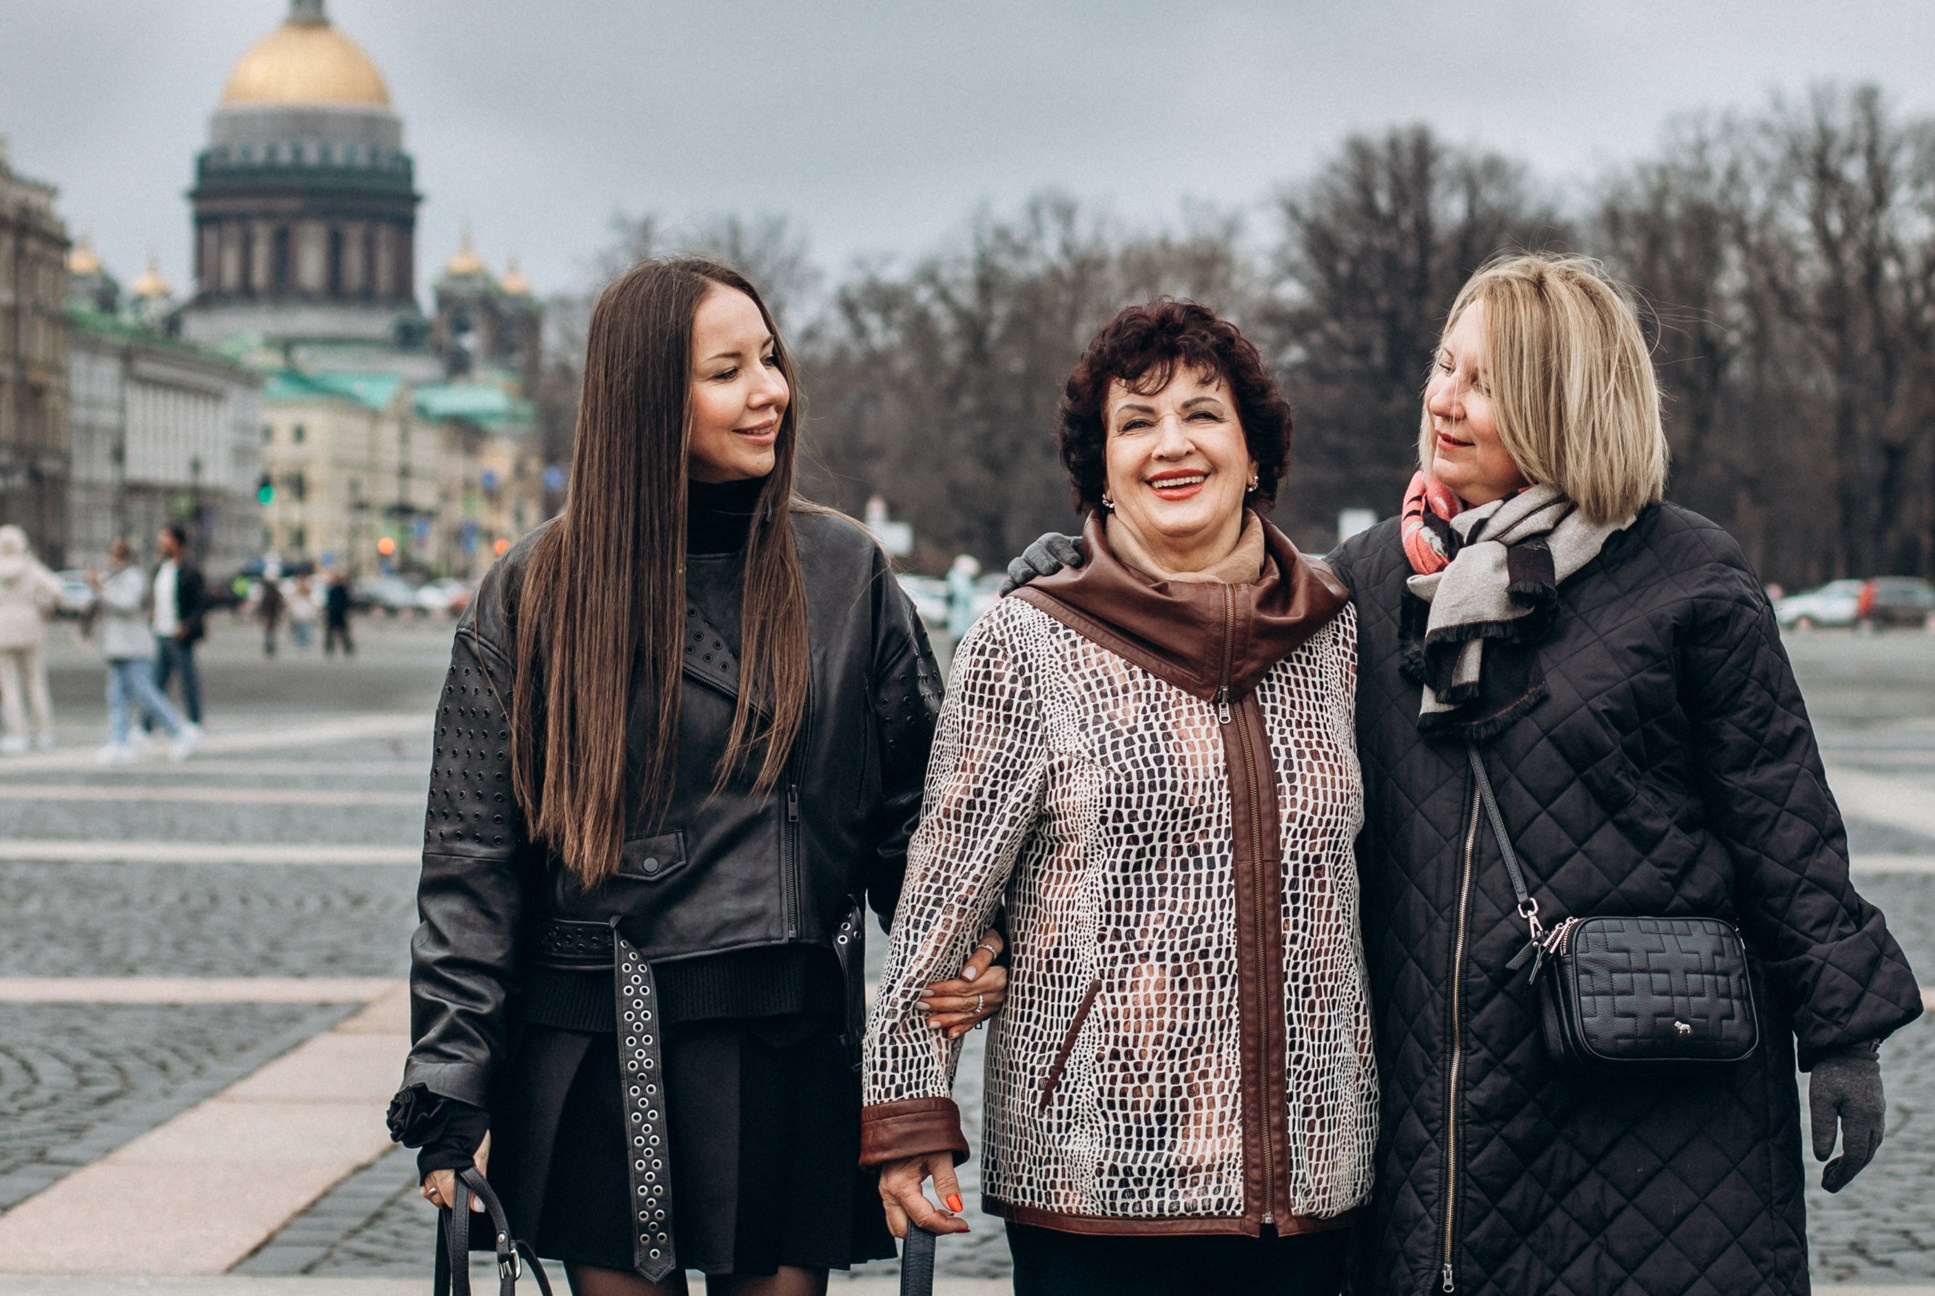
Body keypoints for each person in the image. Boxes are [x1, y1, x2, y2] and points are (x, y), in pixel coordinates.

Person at [1009, 254, 1919, 1295]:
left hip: (1646, 1082)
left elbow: (1782, 818)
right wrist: (1097, 573)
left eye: (1480, 380)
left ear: (1560, 399)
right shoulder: (1368, 575)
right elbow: (1214, 641)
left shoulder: (1689, 576)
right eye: (1445, 367)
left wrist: (1844, 1032)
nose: (1443, 397)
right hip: (1442, 1083)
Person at [390, 257, 1004, 1296]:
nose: (771, 389)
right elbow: (471, 869)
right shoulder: (534, 590)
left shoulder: (846, 572)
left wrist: (970, 949)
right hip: (597, 1041)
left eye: (771, 358)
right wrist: (452, 1091)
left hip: (788, 1034)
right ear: (646, 397)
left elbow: (921, 825)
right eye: (729, 370)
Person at [863, 299, 1374, 1296]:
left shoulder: (1337, 633)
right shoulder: (1030, 640)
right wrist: (908, 1113)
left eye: (1202, 414)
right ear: (1100, 464)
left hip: (1316, 1179)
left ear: (1254, 450)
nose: (1170, 444)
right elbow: (939, 906)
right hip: (1098, 1181)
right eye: (1135, 423)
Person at [91, 537, 199, 763]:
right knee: (116, 696)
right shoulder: (115, 577)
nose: (110, 559)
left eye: (115, 554)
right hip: (118, 648)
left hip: (135, 647)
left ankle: (178, 732)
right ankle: (119, 742)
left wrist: (101, 589)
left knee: (146, 694)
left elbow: (126, 605)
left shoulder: (134, 577)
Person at [0, 525, 63, 754]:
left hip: (3, 629)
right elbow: (56, 588)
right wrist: (43, 608)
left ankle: (17, 735)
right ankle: (44, 732)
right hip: (31, 626)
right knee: (35, 681)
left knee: (9, 685)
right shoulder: (30, 567)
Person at [150, 526, 206, 731]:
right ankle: (147, 726)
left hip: (179, 634)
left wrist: (187, 626)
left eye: (165, 539)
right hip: (160, 632)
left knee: (188, 680)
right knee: (155, 682)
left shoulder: (190, 571)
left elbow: (200, 604)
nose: (161, 544)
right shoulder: (159, 569)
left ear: (178, 543)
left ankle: (194, 722)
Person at [321, 569, 355, 657]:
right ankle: (343, 648)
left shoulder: (338, 590)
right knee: (340, 632)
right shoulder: (342, 590)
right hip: (337, 613)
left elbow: (330, 602)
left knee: (339, 632)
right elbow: (347, 602)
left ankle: (332, 648)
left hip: (335, 613)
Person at [256, 571, 286, 656]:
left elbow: (263, 606)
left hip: (270, 615)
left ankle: (269, 647)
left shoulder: (267, 594)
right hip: (273, 615)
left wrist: (261, 614)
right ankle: (271, 647)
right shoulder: (275, 593)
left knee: (269, 632)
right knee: (271, 632)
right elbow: (281, 605)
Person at [285, 571, 317, 650]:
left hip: (300, 613)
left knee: (301, 629)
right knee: (304, 628)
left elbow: (292, 602)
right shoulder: (307, 590)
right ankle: (304, 643)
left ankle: (301, 643)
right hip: (304, 613)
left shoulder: (298, 590)